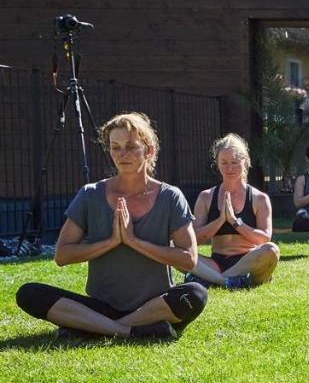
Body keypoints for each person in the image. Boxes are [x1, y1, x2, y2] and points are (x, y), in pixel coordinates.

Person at [15, 112, 207, 341]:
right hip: (100, 306)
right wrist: (112, 242)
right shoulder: (90, 195)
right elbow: (62, 255)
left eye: (131, 146)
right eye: (115, 147)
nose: (122, 154)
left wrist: (134, 242)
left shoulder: (170, 197)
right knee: (29, 293)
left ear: (149, 151)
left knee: (195, 293)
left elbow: (189, 259)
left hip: (153, 307)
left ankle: (92, 328)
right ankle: (129, 331)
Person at [187, 134, 280, 289]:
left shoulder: (259, 198)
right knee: (174, 248)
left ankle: (212, 279)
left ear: (245, 161)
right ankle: (228, 281)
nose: (229, 168)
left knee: (271, 250)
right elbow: (193, 239)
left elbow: (263, 239)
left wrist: (235, 222)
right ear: (217, 163)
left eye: (235, 162)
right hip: (216, 262)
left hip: (248, 261)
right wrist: (219, 221)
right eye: (224, 163)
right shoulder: (206, 197)